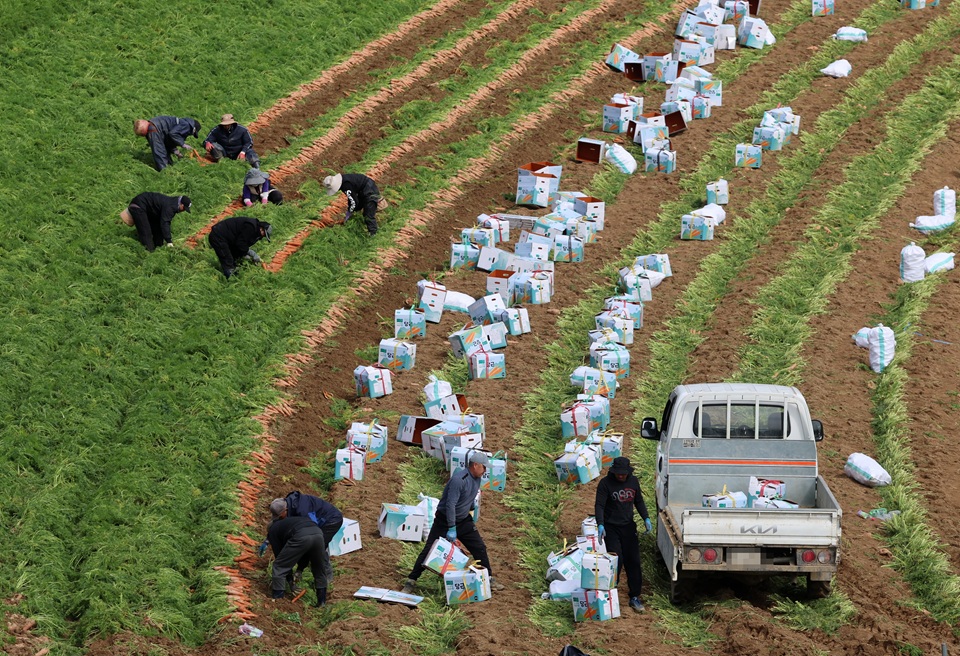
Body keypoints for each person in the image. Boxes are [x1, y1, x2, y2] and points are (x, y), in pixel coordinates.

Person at [401, 452, 504, 593]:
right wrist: (451, 527)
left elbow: (470, 496)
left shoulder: (477, 478)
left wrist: (471, 508)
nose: (486, 470)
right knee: (429, 550)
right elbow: (450, 505)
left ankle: (489, 578)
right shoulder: (459, 480)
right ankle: (411, 580)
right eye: (484, 467)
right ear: (475, 465)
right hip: (445, 521)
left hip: (463, 520)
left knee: (479, 548)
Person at [594, 456, 652, 613]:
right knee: (616, 559)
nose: (621, 476)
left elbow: (638, 501)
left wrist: (645, 517)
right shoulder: (605, 484)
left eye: (623, 474)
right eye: (618, 473)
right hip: (611, 527)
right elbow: (599, 505)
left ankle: (634, 596)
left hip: (628, 526)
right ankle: (611, 591)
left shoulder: (633, 482)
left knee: (633, 561)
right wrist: (600, 524)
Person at [266, 499, 331, 606]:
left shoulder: (273, 530)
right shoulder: (290, 522)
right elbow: (306, 553)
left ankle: (278, 600)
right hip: (318, 533)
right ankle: (321, 603)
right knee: (319, 569)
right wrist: (300, 569)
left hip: (302, 534)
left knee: (278, 566)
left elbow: (280, 557)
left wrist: (290, 580)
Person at [120, 192, 191, 251]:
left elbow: (161, 224)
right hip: (138, 206)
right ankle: (148, 254)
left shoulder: (174, 202)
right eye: (184, 208)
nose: (183, 210)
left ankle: (158, 248)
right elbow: (165, 222)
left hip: (150, 209)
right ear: (181, 204)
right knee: (146, 233)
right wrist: (169, 241)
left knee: (158, 233)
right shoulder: (171, 207)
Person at [207, 216, 272, 279]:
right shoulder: (251, 227)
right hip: (218, 236)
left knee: (235, 255)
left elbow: (241, 245)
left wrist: (244, 254)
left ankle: (234, 272)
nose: (263, 235)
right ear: (261, 228)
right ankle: (231, 280)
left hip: (229, 239)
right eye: (264, 233)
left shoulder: (256, 231)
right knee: (227, 259)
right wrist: (251, 253)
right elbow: (240, 243)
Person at [133, 116, 201, 171]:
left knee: (164, 152)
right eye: (194, 134)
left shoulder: (182, 123)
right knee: (159, 152)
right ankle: (165, 173)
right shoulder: (187, 125)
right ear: (194, 129)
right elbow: (173, 134)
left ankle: (170, 168)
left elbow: (168, 140)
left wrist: (176, 151)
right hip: (154, 129)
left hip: (154, 128)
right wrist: (183, 144)